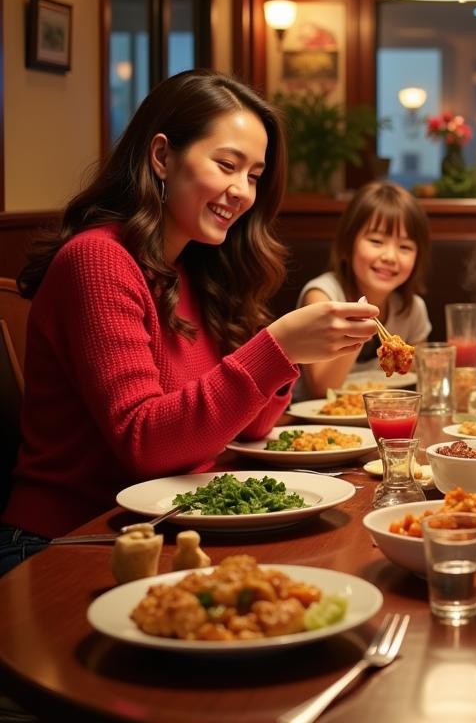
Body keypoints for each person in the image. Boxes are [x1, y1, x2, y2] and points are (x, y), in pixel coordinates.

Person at [0, 70, 380, 572]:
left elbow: (254, 424)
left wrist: (288, 353)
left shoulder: (196, 267)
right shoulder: (98, 261)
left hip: (171, 522)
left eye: (254, 175)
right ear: (162, 156)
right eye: (227, 165)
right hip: (66, 541)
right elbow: (147, 444)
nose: (242, 192)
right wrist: (277, 347)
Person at [295, 180, 431, 399]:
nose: (389, 257)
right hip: (315, 421)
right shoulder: (323, 297)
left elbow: (417, 378)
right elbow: (320, 390)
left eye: (405, 247)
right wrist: (358, 326)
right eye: (376, 241)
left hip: (382, 416)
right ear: (348, 245)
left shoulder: (412, 309)